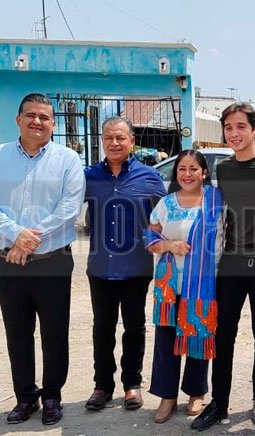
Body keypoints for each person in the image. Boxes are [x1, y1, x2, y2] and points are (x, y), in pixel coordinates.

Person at [0, 93, 86, 426]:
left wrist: (28, 238)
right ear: (19, 119)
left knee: (54, 332)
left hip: (53, 260)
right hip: (10, 261)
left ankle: (52, 396)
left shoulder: (68, 160)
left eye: (44, 117)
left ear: (53, 123)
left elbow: (69, 208)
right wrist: (15, 233)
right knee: (18, 332)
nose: (38, 121)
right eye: (31, 115)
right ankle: (25, 397)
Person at [191, 103, 255, 431]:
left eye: (240, 127)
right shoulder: (224, 169)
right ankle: (219, 403)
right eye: (228, 128)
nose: (234, 133)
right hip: (232, 264)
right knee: (224, 334)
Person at [83, 117, 166, 412]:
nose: (114, 143)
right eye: (109, 138)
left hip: (136, 267)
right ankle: (102, 386)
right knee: (102, 328)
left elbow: (166, 216)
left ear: (132, 141)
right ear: (102, 141)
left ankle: (132, 384)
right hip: (100, 267)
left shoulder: (150, 177)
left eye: (120, 138)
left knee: (134, 327)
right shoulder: (89, 176)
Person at [144, 150, 224, 423]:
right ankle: (167, 396)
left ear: (204, 173)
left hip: (203, 282)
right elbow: (149, 236)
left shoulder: (216, 201)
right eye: (182, 169)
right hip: (169, 284)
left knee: (199, 332)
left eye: (193, 169)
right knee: (166, 339)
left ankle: (195, 391)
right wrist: (168, 245)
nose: (187, 174)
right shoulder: (166, 204)